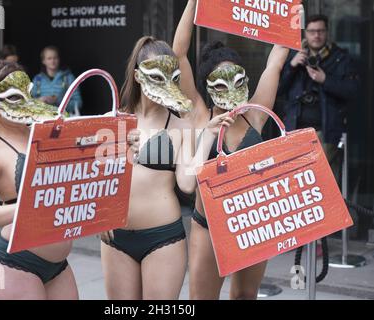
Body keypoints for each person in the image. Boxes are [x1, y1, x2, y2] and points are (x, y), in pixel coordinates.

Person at [0, 51, 140, 300]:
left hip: (58, 266)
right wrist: (30, 206)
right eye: (13, 97)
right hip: (15, 265)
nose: (25, 102)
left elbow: (86, 161)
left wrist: (121, 145)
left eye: (28, 93)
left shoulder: (45, 134)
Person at [100, 36, 235, 300]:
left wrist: (207, 134)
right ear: (138, 76)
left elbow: (186, 183)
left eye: (173, 77)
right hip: (116, 238)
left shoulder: (180, 126)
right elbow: (93, 181)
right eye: (157, 76)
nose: (168, 85)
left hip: (163, 237)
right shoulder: (112, 121)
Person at [173, 0, 289, 300]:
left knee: (245, 296)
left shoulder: (255, 114)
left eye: (236, 80)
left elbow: (277, 57)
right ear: (207, 87)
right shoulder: (201, 116)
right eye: (220, 85)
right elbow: (178, 53)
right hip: (208, 227)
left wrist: (290, 13)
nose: (230, 91)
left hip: (252, 220)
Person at [278, 14, 359, 180]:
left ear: (327, 32)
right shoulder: (295, 56)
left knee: (323, 178)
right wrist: (292, 66)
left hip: (326, 131)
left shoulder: (340, 58)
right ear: (305, 33)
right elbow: (277, 90)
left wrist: (325, 80)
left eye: (321, 31)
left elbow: (352, 91)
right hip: (295, 129)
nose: (316, 35)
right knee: (295, 178)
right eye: (312, 31)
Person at [32, 46, 83, 117]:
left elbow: (78, 103)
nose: (52, 61)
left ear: (59, 59)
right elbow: (30, 103)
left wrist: (58, 101)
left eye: (55, 58)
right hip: (42, 120)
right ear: (43, 61)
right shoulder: (37, 79)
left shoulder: (68, 77)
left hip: (64, 120)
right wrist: (40, 101)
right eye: (49, 58)